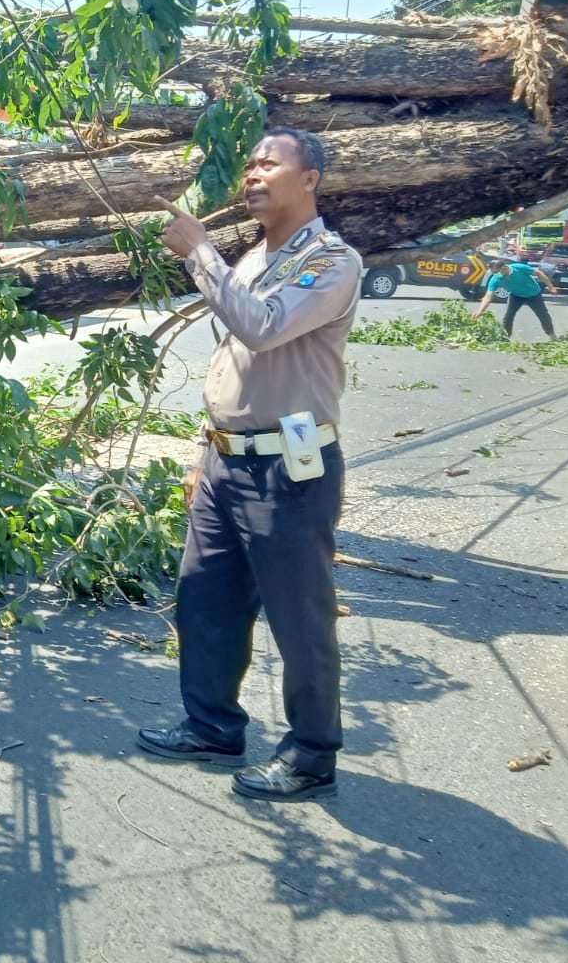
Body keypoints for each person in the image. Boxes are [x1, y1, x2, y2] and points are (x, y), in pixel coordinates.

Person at [139, 128, 362, 803]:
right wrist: (204, 454)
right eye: (249, 165)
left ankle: (310, 755)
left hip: (290, 468)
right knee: (204, 598)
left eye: (269, 163)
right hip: (226, 460)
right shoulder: (252, 255)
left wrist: (199, 251)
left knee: (300, 618)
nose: (252, 174)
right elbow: (232, 364)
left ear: (310, 179)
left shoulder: (331, 260)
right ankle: (210, 726)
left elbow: (261, 326)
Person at [474, 258, 558, 340]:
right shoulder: (495, 279)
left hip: (533, 294)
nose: (495, 275)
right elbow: (488, 297)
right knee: (508, 316)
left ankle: (552, 335)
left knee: (543, 315)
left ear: (504, 268)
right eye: (493, 273)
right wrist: (479, 311)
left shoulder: (519, 268)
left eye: (496, 272)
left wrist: (551, 287)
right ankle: (505, 338)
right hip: (516, 296)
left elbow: (539, 273)